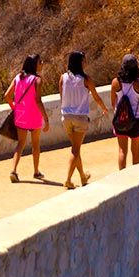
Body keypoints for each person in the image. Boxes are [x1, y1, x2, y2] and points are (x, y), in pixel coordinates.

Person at [59, 51, 108, 189]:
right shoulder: (86, 79)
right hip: (80, 117)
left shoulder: (63, 78)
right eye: (83, 60)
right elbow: (96, 96)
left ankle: (82, 176)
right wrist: (104, 108)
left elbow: (62, 97)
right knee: (75, 150)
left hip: (66, 117)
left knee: (76, 148)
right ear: (79, 62)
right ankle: (68, 179)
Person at [4, 54, 50, 182]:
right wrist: (46, 119)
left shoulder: (18, 77)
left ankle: (13, 170)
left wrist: (15, 108)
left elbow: (7, 95)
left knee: (20, 144)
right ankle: (36, 171)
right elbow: (38, 101)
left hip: (21, 116)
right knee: (36, 144)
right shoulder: (37, 80)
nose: (42, 63)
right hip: (34, 116)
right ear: (34, 64)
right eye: (40, 62)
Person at [111, 53, 139, 169]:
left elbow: (114, 103)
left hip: (120, 121)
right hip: (136, 120)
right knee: (135, 151)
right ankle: (136, 179)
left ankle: (122, 178)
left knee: (122, 151)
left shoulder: (115, 82)